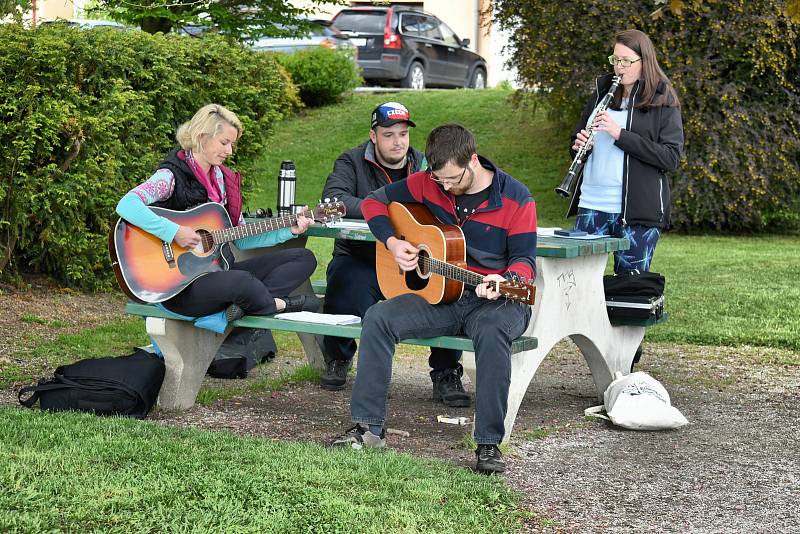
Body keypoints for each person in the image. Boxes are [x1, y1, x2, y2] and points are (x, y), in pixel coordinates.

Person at [331, 124, 537, 474]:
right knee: (379, 317)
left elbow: (525, 262)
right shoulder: (429, 180)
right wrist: (394, 243)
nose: (446, 187)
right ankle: (368, 429)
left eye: (453, 179)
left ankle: (488, 445)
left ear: (473, 160)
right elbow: (373, 203)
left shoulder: (517, 198)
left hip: (498, 299)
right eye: (439, 180)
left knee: (490, 332)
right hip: (443, 294)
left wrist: (507, 280)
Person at [319, 102, 467, 408]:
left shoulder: (426, 164)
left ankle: (446, 371)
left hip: (414, 256)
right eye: (389, 135)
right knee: (345, 281)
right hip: (362, 255)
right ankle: (337, 357)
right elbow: (336, 199)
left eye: (403, 134)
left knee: (445, 289)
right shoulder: (351, 161)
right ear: (373, 136)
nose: (398, 141)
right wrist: (391, 213)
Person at [115, 103, 320, 322]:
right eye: (224, 143)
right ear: (202, 137)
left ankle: (250, 303)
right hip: (182, 287)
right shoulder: (171, 176)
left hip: (219, 272)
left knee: (303, 258)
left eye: (232, 144)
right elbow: (127, 205)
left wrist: (288, 230)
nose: (229, 151)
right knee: (242, 281)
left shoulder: (224, 182)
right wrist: (173, 232)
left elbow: (241, 239)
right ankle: (279, 304)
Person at [568, 29, 683, 369]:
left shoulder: (663, 100)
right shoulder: (604, 91)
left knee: (629, 291)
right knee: (579, 287)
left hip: (636, 211)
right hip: (593, 204)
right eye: (615, 59)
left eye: (625, 61)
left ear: (644, 62)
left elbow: (670, 158)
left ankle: (625, 365)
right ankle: (598, 357)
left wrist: (621, 135)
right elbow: (582, 136)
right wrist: (580, 146)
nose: (619, 67)